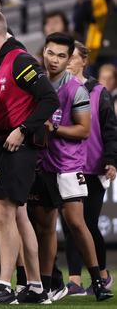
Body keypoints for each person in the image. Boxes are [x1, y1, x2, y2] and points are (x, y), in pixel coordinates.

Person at [0, 9, 59, 304]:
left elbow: (50, 99)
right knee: (18, 216)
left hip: (18, 147)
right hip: (0, 146)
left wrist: (23, 129)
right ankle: (35, 287)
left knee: (5, 212)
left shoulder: (20, 60)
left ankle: (5, 285)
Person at [29, 32, 113, 302]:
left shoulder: (76, 89)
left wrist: (54, 128)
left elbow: (84, 130)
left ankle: (98, 279)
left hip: (67, 165)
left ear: (70, 60)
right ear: (44, 51)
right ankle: (45, 284)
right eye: (51, 53)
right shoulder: (34, 83)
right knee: (44, 227)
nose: (54, 60)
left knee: (77, 223)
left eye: (62, 56)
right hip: (41, 165)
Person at [64, 40, 117, 295]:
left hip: (93, 166)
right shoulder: (58, 89)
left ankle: (103, 273)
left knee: (89, 223)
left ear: (84, 60)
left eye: (73, 57)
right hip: (66, 166)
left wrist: (111, 160)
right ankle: (75, 280)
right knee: (73, 223)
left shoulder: (99, 92)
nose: (69, 62)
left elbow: (110, 129)